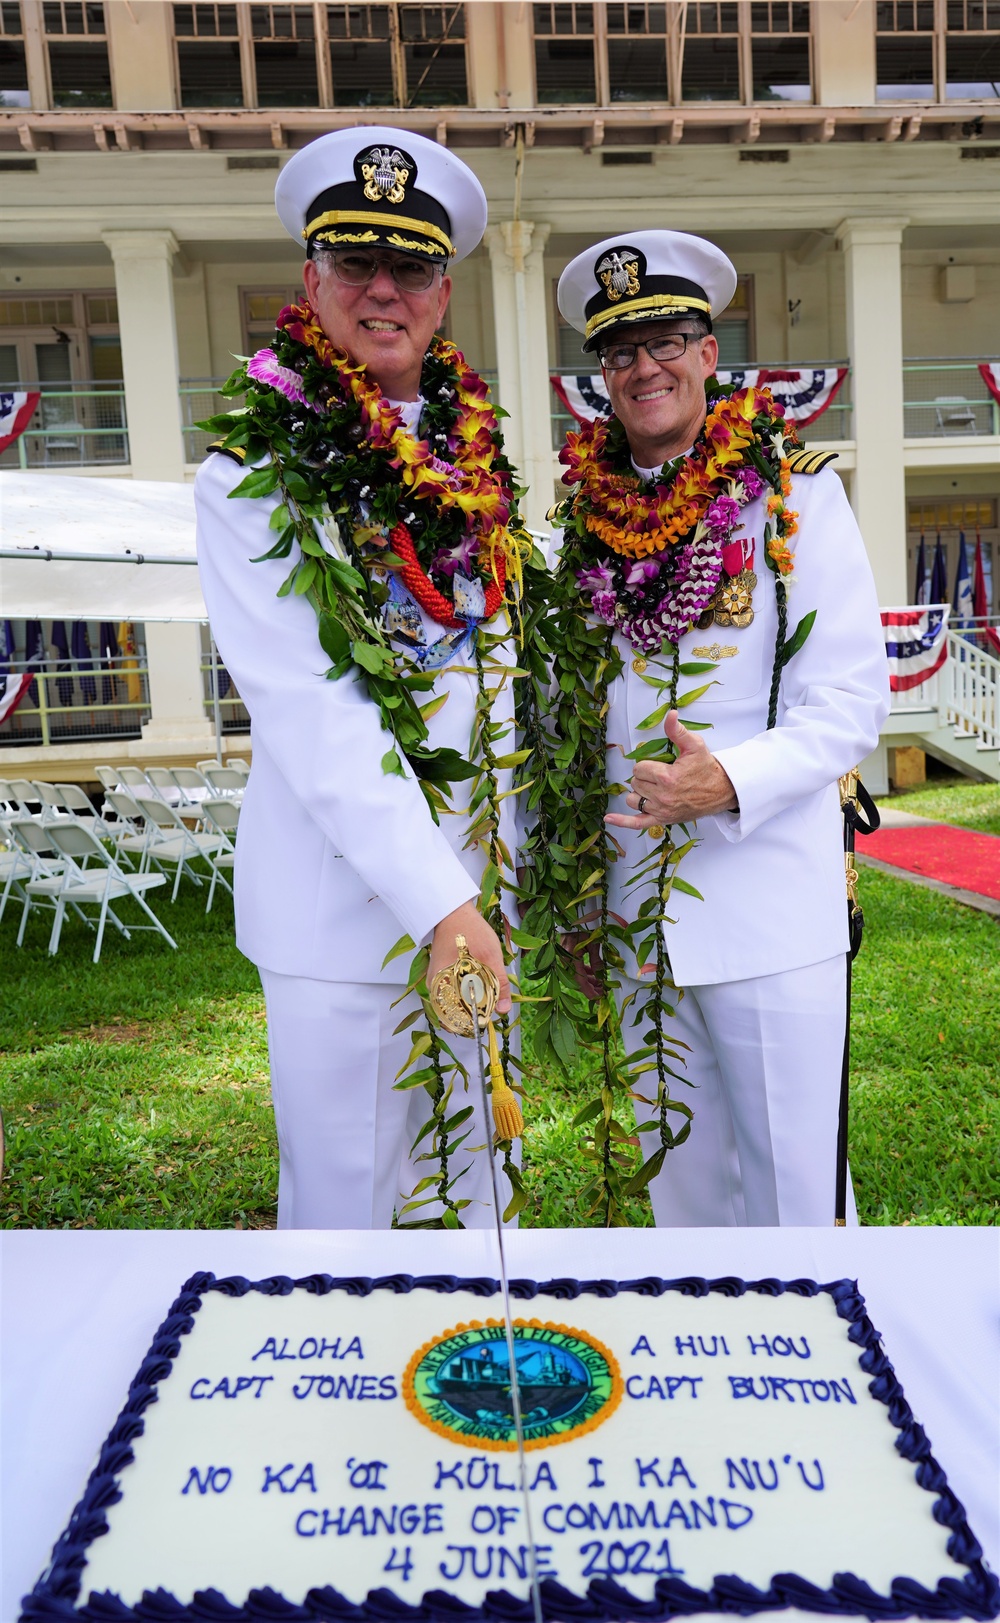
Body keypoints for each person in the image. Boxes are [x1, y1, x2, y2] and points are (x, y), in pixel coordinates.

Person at [195, 128, 530, 1230]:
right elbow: (313, 715)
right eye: (355, 263)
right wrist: (447, 901)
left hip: (488, 894)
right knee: (345, 1212)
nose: (383, 290)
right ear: (311, 280)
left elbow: (508, 680)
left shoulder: (478, 467)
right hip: (343, 922)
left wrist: (516, 883)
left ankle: (482, 1402)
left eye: (413, 269)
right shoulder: (253, 475)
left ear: (442, 295)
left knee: (484, 1186)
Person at [548, 229, 890, 1226]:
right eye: (618, 352)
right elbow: (573, 720)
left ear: (708, 350)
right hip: (633, 919)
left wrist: (727, 780)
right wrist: (577, 896)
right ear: (600, 377)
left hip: (768, 908)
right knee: (680, 1204)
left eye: (665, 341)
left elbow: (849, 702)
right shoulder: (581, 527)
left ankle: (828, 1371)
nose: (643, 368)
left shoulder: (795, 496)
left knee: (797, 1193)